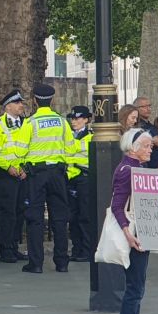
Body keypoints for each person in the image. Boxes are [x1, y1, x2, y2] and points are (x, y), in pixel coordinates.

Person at [11, 83, 73, 274]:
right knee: (60, 218)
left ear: (35, 101)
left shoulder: (30, 123)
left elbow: (19, 150)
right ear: (52, 100)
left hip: (36, 175)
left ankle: (36, 263)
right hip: (58, 174)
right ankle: (62, 262)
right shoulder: (62, 122)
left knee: (34, 218)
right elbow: (70, 148)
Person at [112, 129, 158, 314]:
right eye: (147, 146)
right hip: (134, 234)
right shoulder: (127, 170)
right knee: (134, 288)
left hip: (142, 232)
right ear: (133, 147)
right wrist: (127, 234)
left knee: (138, 287)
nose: (151, 149)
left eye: (151, 145)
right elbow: (116, 206)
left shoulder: (137, 168)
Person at [0, 90, 29, 263]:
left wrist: (26, 168)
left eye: (22, 103)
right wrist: (8, 166)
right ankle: (6, 249)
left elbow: (31, 147)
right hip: (6, 175)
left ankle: (14, 245)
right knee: (7, 213)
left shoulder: (27, 124)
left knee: (20, 212)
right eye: (18, 103)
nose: (21, 106)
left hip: (24, 174)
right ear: (8, 106)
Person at [65, 106, 94, 262]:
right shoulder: (67, 135)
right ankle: (76, 249)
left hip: (84, 177)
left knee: (85, 215)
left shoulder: (91, 136)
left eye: (77, 118)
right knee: (73, 216)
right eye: (73, 118)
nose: (74, 121)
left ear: (86, 120)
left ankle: (87, 249)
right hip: (70, 178)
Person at [133, 95, 158, 168]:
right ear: (136, 109)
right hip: (151, 167)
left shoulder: (149, 125)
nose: (148, 109)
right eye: (144, 106)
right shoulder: (140, 126)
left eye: (149, 106)